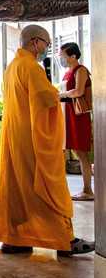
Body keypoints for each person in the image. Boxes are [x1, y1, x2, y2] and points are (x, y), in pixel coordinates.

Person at [0, 25, 94, 256]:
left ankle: (15, 238)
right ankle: (64, 239)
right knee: (46, 187)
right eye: (46, 43)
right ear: (35, 42)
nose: (47, 48)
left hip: (14, 137)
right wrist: (56, 96)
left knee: (18, 189)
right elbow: (45, 100)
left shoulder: (12, 67)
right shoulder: (31, 68)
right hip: (32, 138)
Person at [58, 42, 94, 201]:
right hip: (68, 114)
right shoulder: (68, 73)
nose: (61, 58)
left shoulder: (81, 70)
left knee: (81, 153)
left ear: (73, 56)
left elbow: (79, 91)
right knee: (74, 151)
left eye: (63, 55)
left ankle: (87, 190)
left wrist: (60, 94)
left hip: (78, 116)